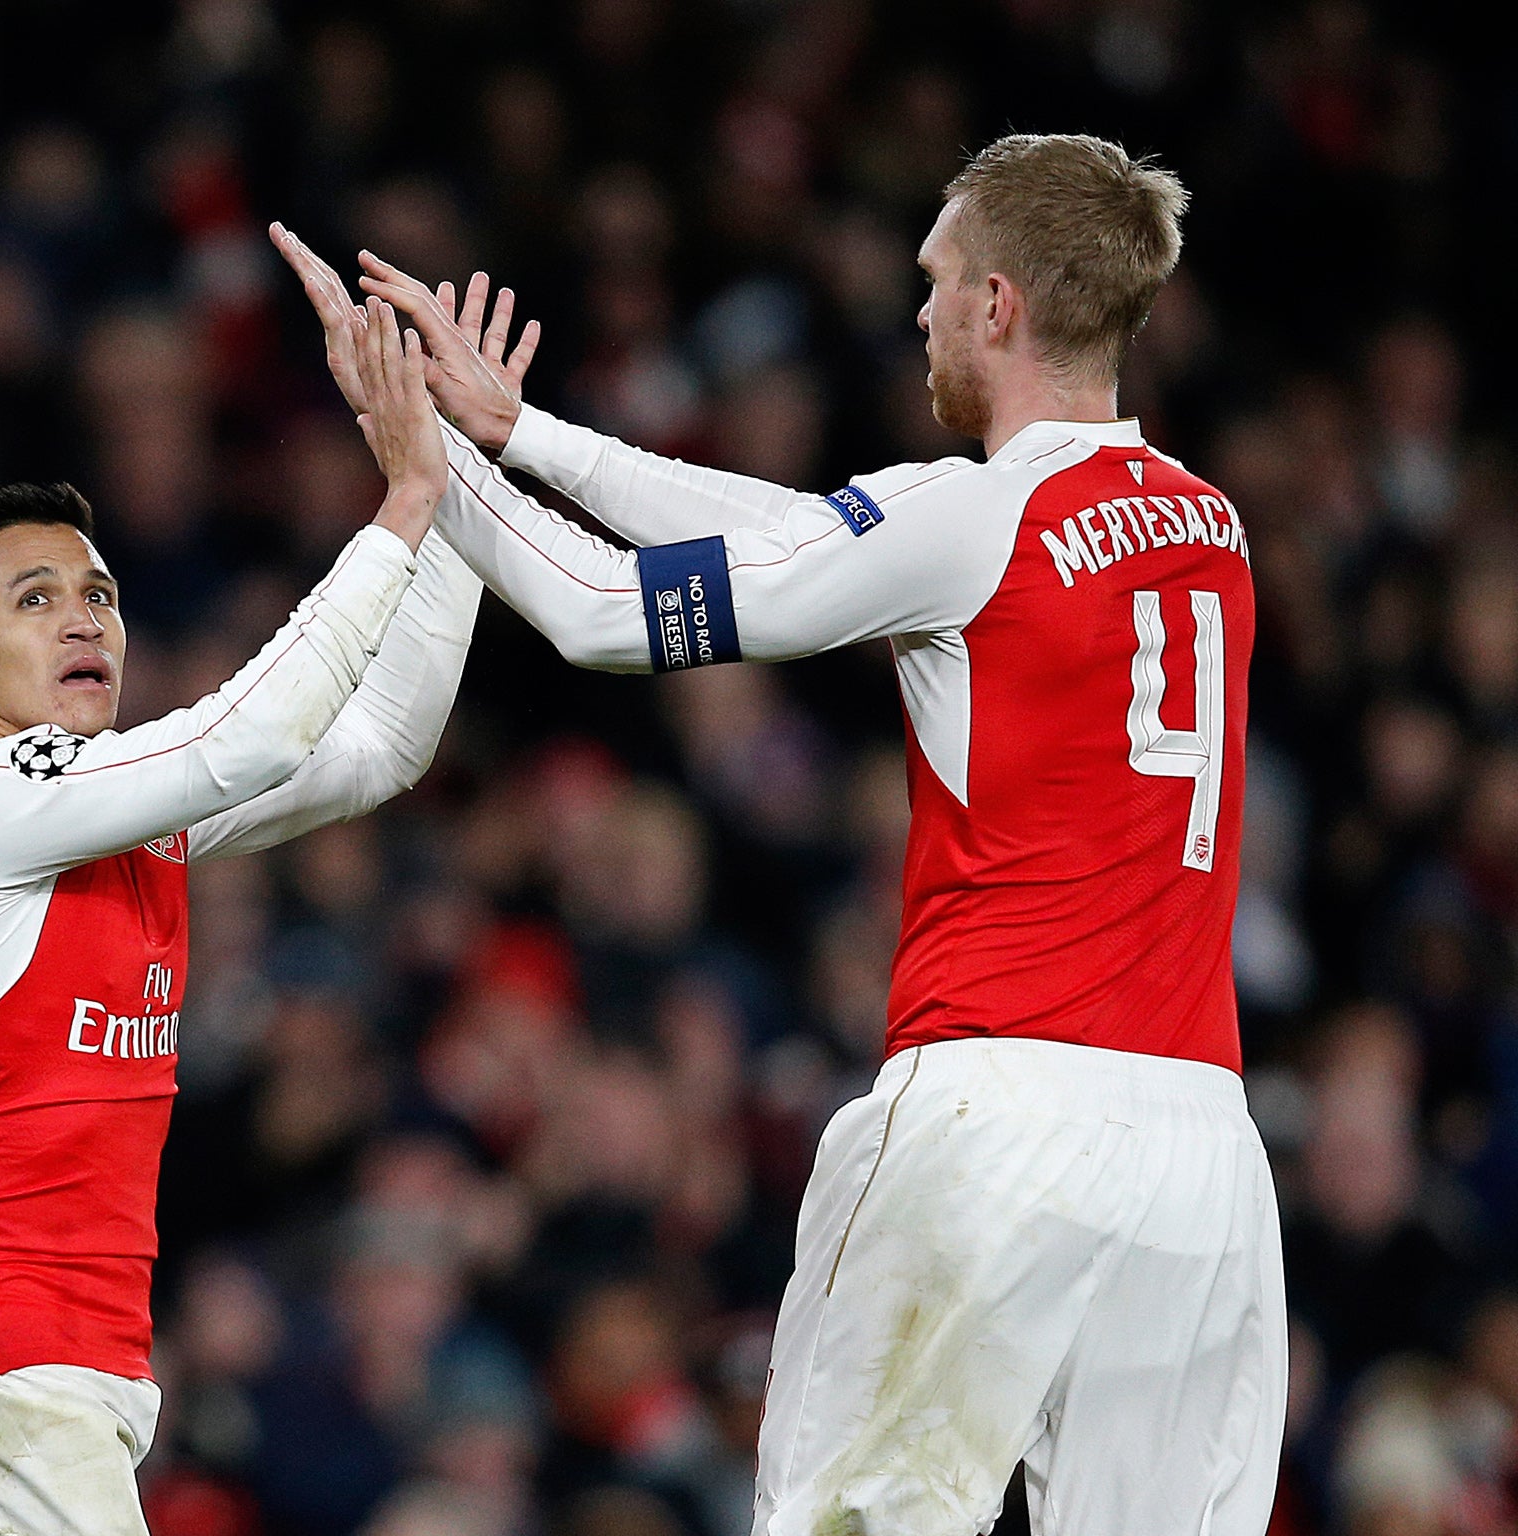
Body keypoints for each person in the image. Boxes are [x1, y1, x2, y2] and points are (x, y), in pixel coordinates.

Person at [276, 132, 1286, 1536]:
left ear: (999, 306)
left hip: (999, 1111)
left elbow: (603, 613)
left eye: (936, 280)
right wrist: (536, 435)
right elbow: (818, 536)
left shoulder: (974, 515)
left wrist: (434, 462)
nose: (918, 311)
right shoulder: (1208, 525)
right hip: (1200, 1151)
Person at [0, 304, 481, 1532]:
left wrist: (453, 488)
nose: (84, 616)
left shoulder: (108, 815)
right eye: (34, 599)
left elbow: (379, 749)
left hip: (57, 1373)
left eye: (98, 592)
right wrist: (399, 505)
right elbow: (253, 735)